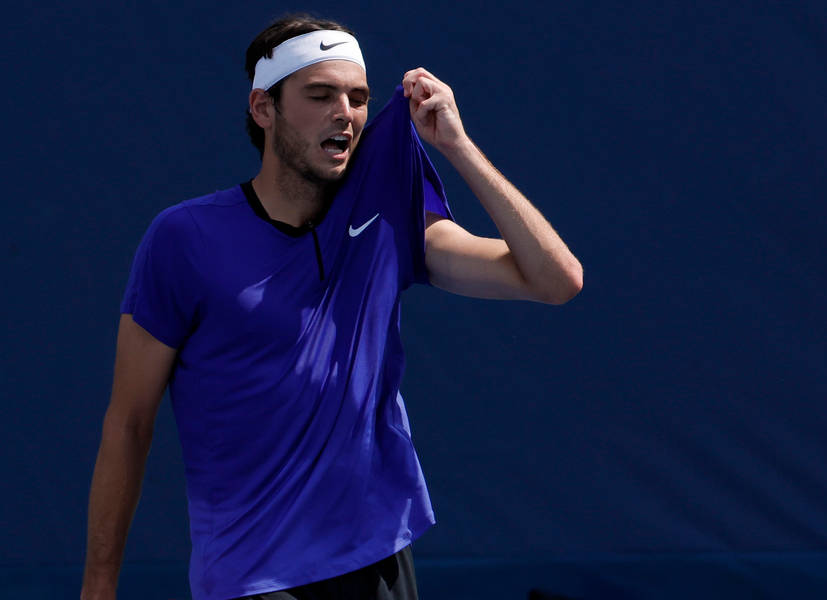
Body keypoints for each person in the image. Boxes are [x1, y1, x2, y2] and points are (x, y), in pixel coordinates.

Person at [81, 13, 582, 600]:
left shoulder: (390, 225)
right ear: (263, 109)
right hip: (252, 576)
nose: (344, 112)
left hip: (378, 557)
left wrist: (458, 146)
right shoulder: (181, 239)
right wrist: (99, 582)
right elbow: (129, 423)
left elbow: (557, 280)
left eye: (358, 97)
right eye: (319, 95)